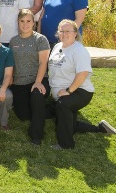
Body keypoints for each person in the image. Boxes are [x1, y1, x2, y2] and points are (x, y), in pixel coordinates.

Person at [48, 19, 115, 149]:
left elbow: (83, 73)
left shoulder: (78, 50)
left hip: (80, 91)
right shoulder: (57, 47)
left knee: (63, 106)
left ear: (75, 33)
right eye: (61, 31)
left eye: (68, 31)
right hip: (63, 92)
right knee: (66, 123)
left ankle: (66, 144)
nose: (64, 33)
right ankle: (100, 129)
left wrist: (68, 91)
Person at [9, 9, 50, 144]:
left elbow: (43, 62)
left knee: (37, 96)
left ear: (33, 23)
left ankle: (36, 135)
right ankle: (56, 109)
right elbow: (11, 63)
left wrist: (38, 82)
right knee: (23, 115)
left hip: (37, 80)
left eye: (28, 21)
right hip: (19, 83)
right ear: (18, 22)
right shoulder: (13, 41)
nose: (25, 24)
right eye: (22, 21)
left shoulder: (40, 39)